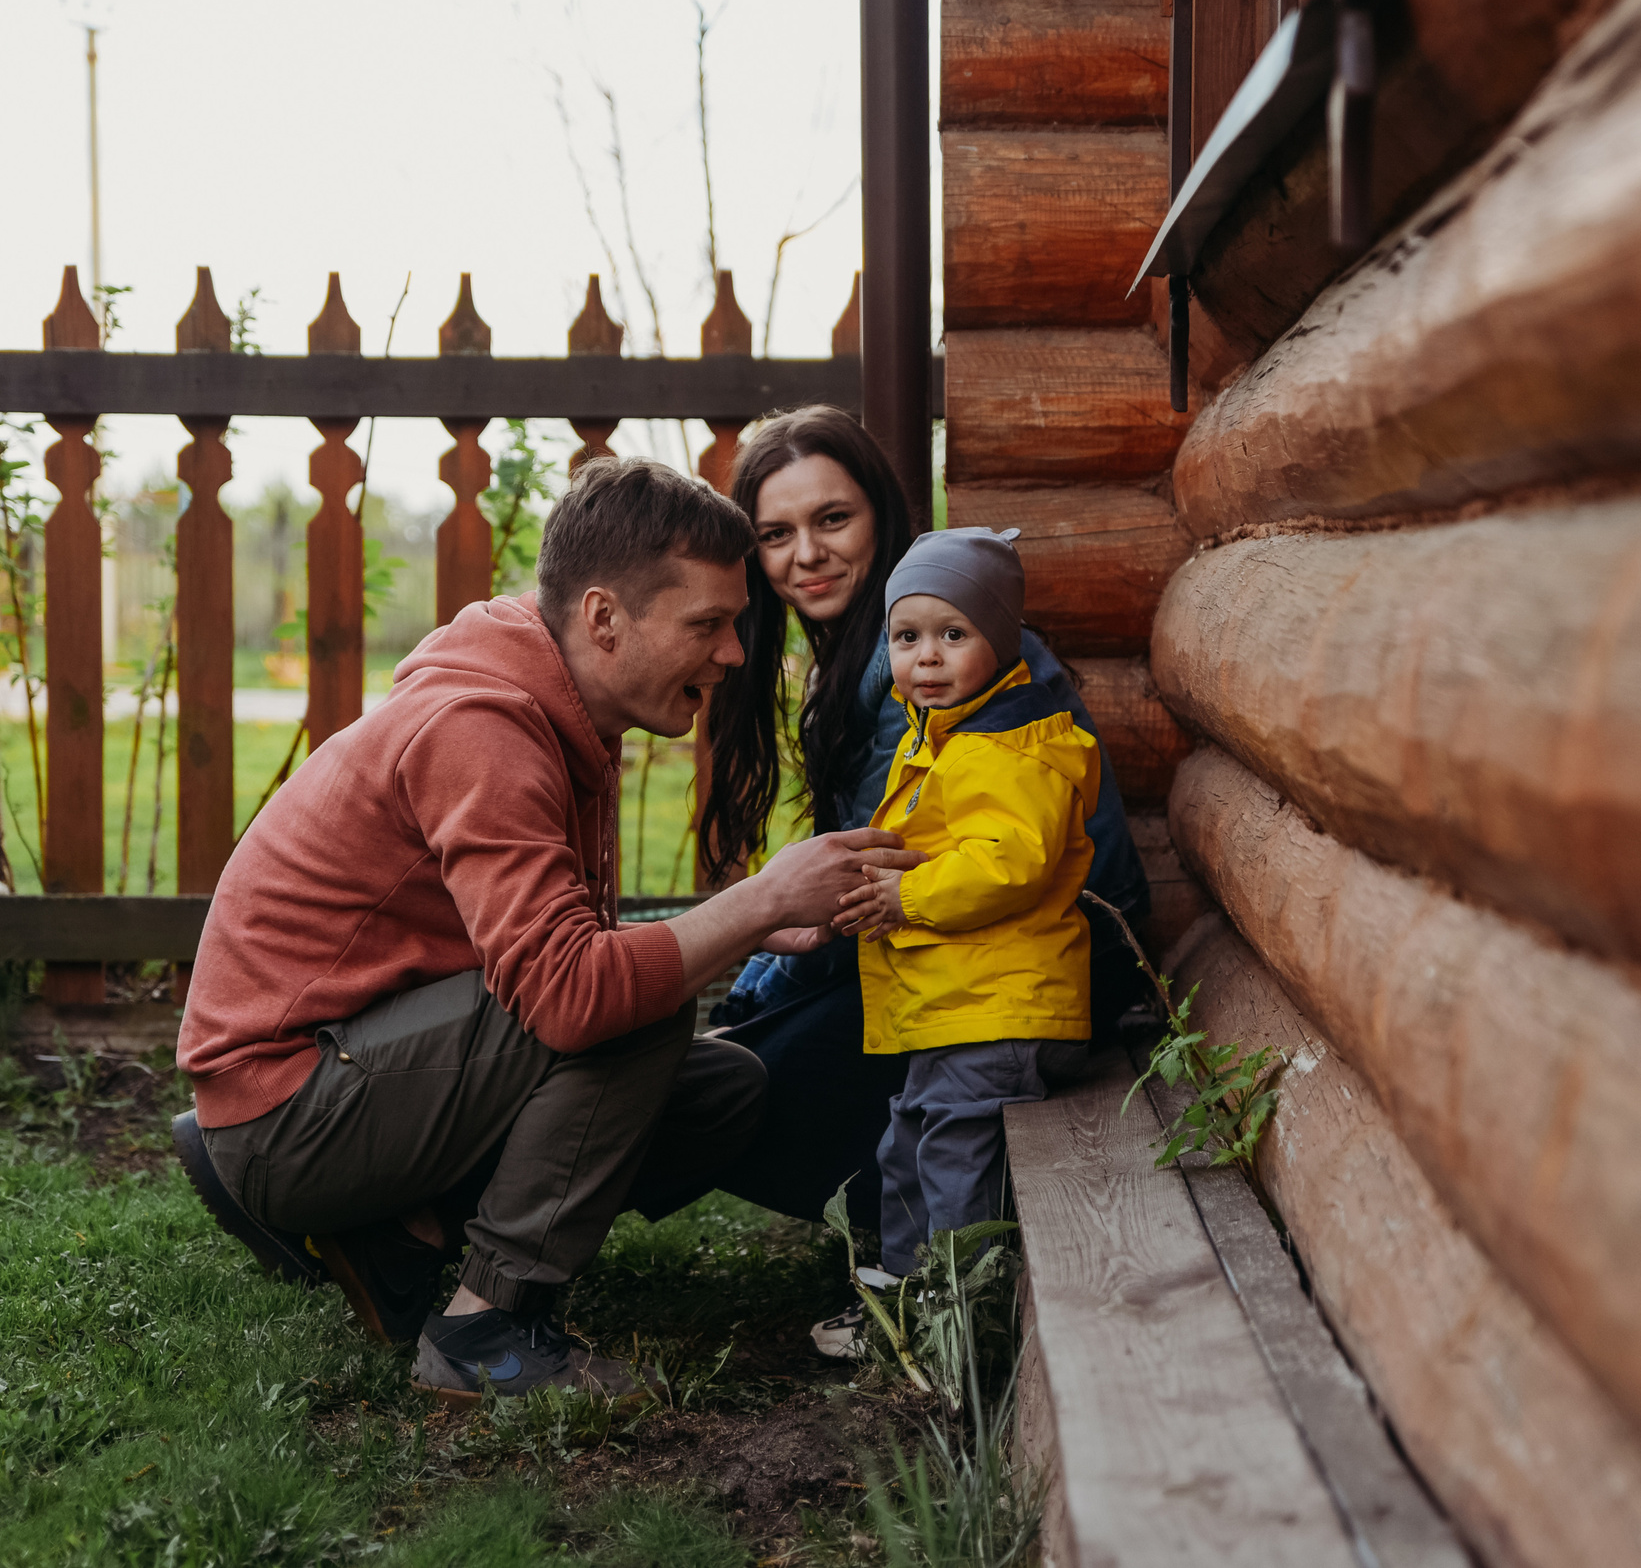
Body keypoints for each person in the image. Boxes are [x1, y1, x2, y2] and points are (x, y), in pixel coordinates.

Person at [169, 457, 922, 1406]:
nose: (734, 652)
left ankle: (406, 1233)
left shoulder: (565, 703)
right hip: (285, 1104)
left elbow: (548, 946)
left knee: (726, 1090)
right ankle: (489, 1325)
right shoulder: (484, 729)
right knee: (628, 1008)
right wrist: (755, 904)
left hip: (354, 1065)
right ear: (604, 618)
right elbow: (573, 993)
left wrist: (738, 929)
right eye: (707, 624)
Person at [694, 408, 1151, 1347]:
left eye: (833, 520)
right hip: (965, 945)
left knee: (738, 1075)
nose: (805, 556)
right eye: (775, 534)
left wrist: (750, 997)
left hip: (1030, 973)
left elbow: (869, 880)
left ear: (884, 519)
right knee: (745, 1051)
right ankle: (903, 1269)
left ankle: (934, 1297)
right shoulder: (896, 658)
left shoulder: (936, 671)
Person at [837, 528, 1098, 1276]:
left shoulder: (1005, 746)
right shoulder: (946, 739)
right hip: (960, 1002)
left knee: (956, 1151)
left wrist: (905, 895)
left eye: (954, 633)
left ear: (1003, 640)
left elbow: (1011, 860)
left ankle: (961, 1299)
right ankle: (909, 1281)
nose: (927, 655)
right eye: (907, 636)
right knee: (911, 1138)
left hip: (1003, 1004)